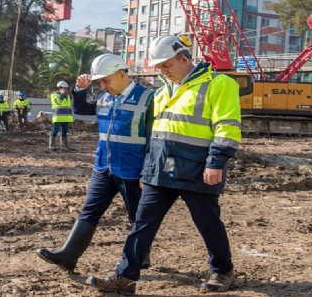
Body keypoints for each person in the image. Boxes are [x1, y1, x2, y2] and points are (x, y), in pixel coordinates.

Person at [86, 35, 242, 295]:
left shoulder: (219, 84)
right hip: (160, 168)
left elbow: (227, 126)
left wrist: (216, 163)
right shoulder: (161, 92)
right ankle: (126, 276)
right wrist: (147, 170)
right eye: (159, 68)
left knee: (207, 222)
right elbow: (154, 135)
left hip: (197, 168)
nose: (163, 72)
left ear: (184, 59)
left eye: (167, 65)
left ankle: (222, 270)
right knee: (142, 223)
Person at [37, 54, 155, 274]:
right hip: (104, 167)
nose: (102, 85)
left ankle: (139, 258)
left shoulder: (148, 98)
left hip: (133, 169)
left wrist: (147, 171)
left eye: (106, 80)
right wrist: (80, 89)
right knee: (89, 211)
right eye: (100, 81)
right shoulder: (105, 98)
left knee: (136, 217)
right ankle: (68, 256)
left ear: (122, 74)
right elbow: (81, 110)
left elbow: (154, 139)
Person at [48, 81, 74, 149]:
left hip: (66, 118)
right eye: (64, 88)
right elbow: (57, 102)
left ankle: (65, 146)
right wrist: (62, 95)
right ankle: (51, 145)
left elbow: (68, 107)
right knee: (55, 131)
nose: (65, 89)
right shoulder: (54, 95)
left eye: (66, 88)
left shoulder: (67, 96)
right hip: (58, 117)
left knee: (64, 132)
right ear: (59, 88)